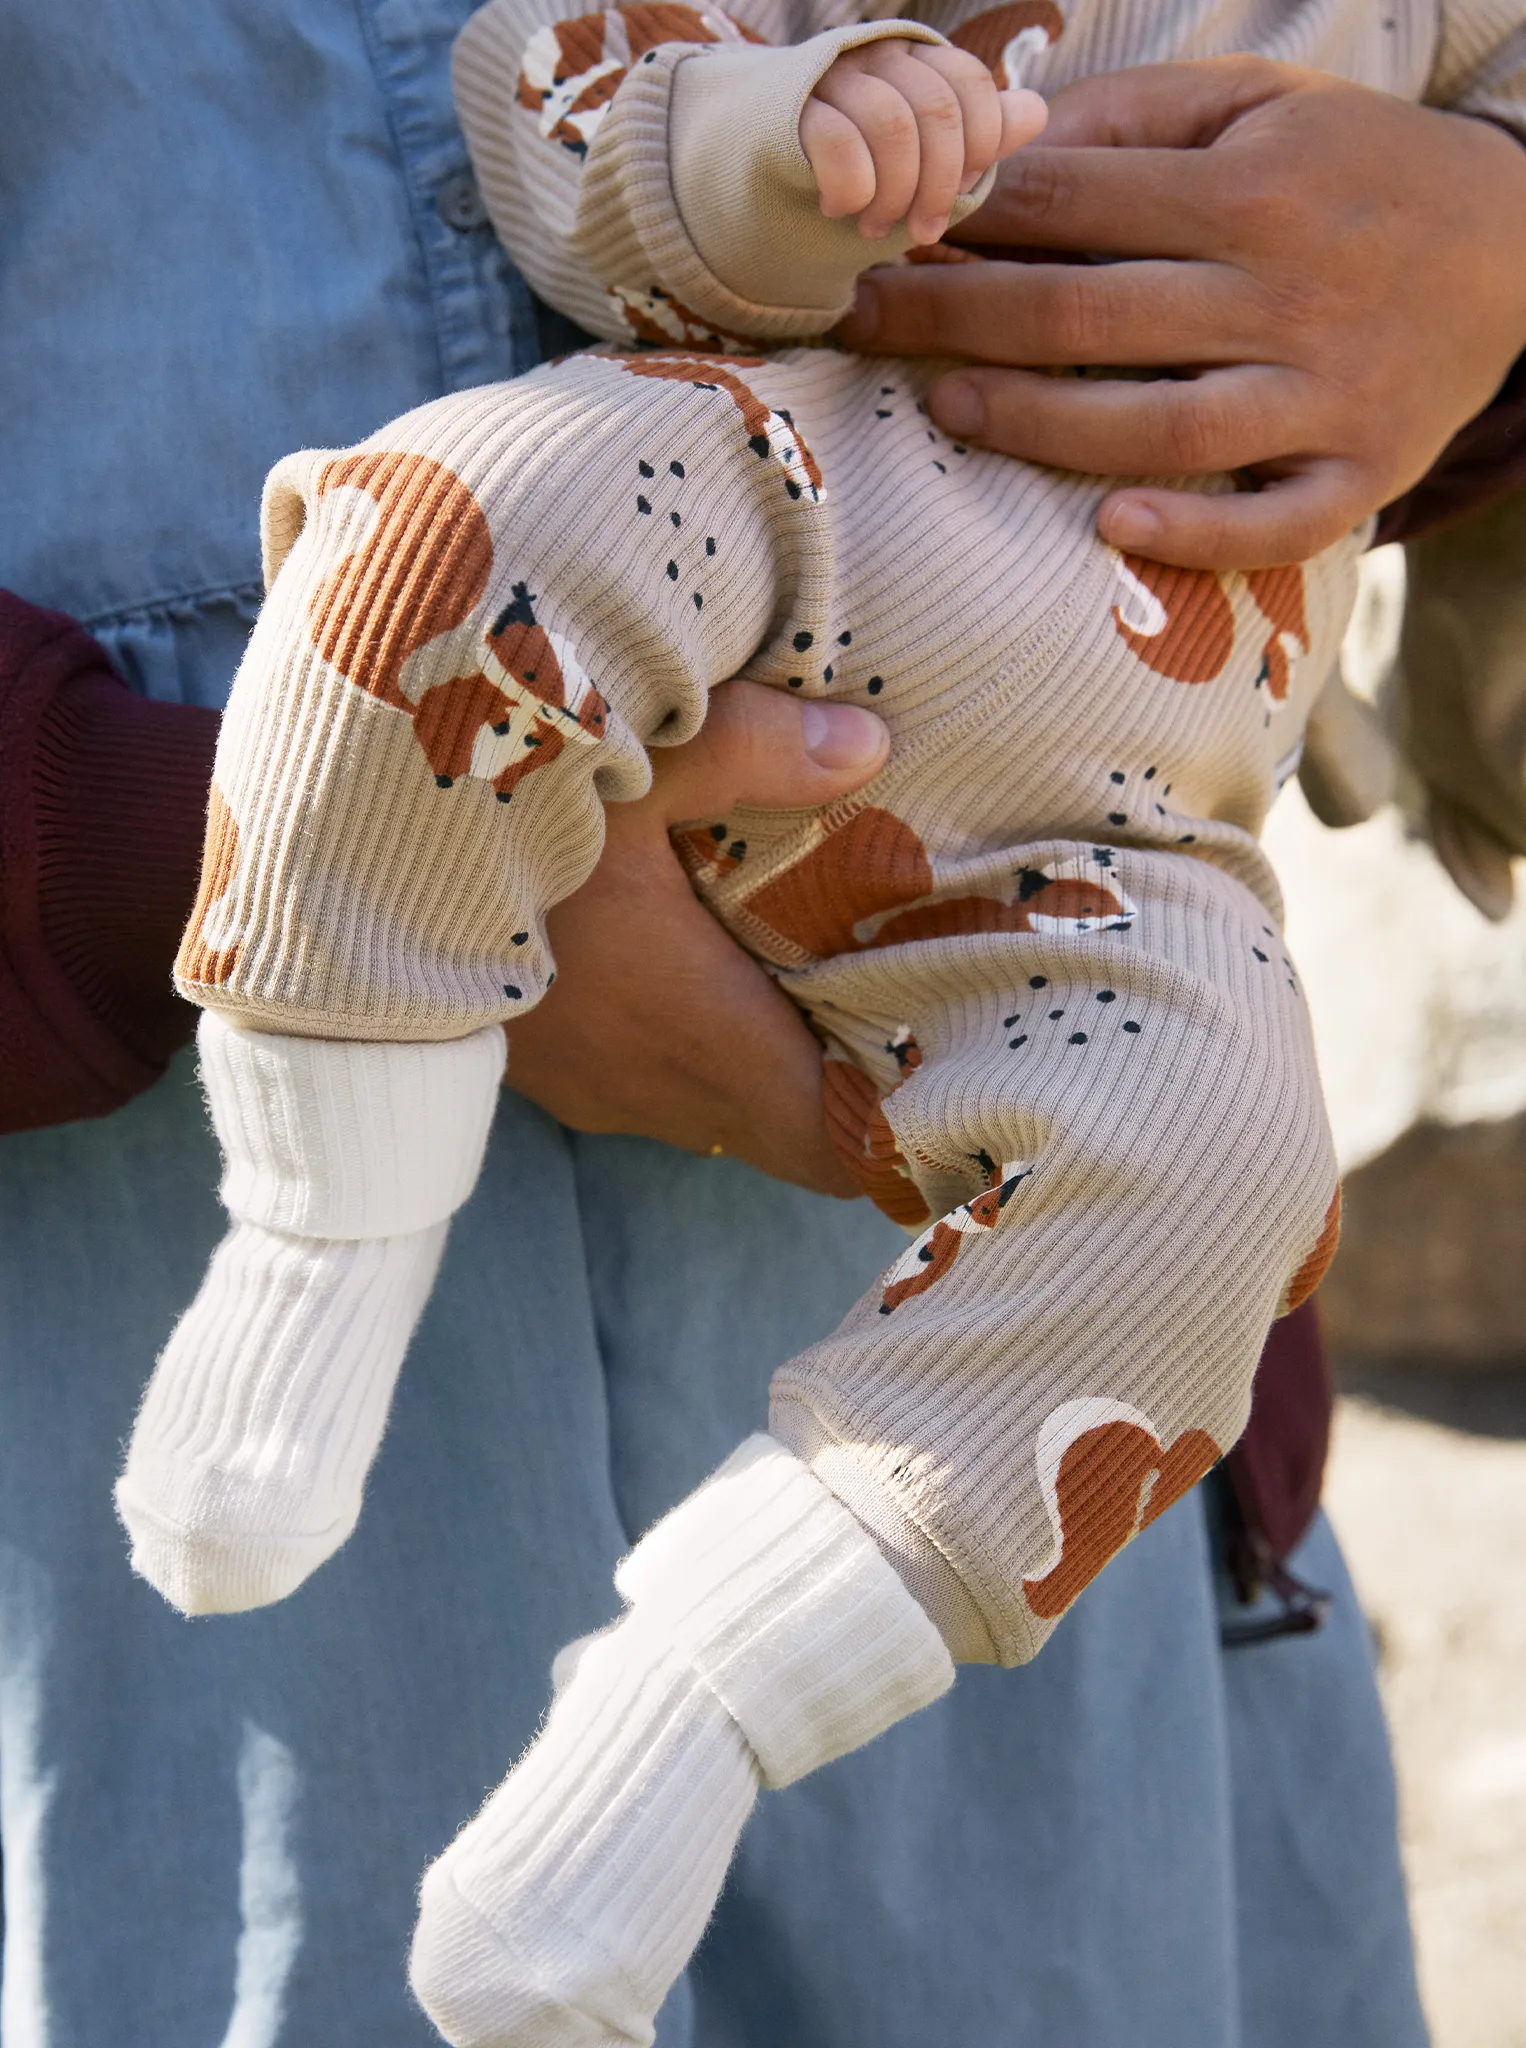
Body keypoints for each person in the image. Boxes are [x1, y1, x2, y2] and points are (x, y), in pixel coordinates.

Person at [2, 10, 1523, 2047]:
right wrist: (199, 835)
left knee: (1209, 1187)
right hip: (164, 1353)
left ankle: (687, 1712)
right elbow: (587, 126)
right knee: (441, 544)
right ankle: (320, 1245)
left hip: (1094, 917)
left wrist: (1487, 249)